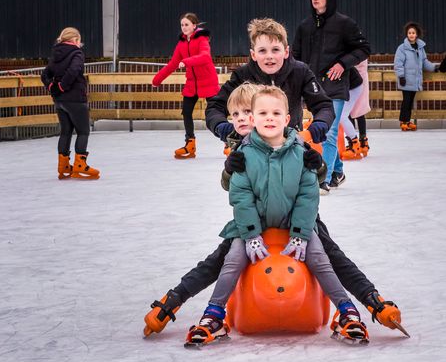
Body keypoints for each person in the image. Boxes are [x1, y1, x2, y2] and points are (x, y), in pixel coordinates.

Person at [144, 83, 403, 340]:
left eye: (248, 112)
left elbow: (310, 183)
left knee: (329, 256)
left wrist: (318, 165)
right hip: (253, 222)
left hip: (296, 220)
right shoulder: (241, 146)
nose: (244, 119)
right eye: (237, 114)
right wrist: (231, 177)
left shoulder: (291, 138)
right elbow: (235, 190)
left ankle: (369, 303)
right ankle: (182, 304)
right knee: (222, 260)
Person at [185, 86, 369, 346]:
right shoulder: (243, 155)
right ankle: (213, 313)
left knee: (319, 257)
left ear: (287, 119)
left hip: (293, 225)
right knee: (233, 258)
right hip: (253, 226)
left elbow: (308, 198)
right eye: (262, 113)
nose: (269, 118)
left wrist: (300, 235)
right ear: (253, 119)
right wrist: (250, 235)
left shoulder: (301, 152)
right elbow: (241, 197)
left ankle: (347, 309)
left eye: (275, 113)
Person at [292, 0, 371, 194]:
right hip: (313, 87)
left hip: (336, 85)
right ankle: (337, 171)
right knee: (323, 129)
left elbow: (363, 49)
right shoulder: (305, 26)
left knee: (329, 131)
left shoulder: (345, 24)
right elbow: (296, 56)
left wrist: (342, 64)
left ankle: (322, 180)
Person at [205, 18, 334, 147]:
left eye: (275, 50)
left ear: (286, 52)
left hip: (290, 143)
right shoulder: (242, 75)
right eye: (262, 51)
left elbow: (323, 105)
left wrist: (317, 127)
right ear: (253, 54)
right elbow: (215, 106)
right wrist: (223, 128)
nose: (269, 56)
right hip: (251, 145)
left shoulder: (300, 72)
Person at [152, 13, 220, 159]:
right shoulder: (181, 43)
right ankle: (190, 144)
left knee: (216, 112)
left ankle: (228, 143)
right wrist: (157, 79)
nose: (184, 27)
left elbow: (205, 56)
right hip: (192, 83)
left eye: (187, 24)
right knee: (186, 112)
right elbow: (173, 64)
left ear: (194, 26)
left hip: (208, 80)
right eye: (182, 25)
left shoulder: (202, 39)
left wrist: (187, 61)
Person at [41, 27, 99, 180]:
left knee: (66, 131)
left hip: (60, 101)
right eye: (79, 40)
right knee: (83, 131)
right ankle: (80, 164)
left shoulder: (56, 54)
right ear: (75, 40)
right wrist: (62, 86)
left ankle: (63, 165)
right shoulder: (76, 53)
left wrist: (52, 87)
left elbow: (45, 74)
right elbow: (74, 70)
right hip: (75, 99)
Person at [394, 22, 438, 131]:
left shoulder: (420, 48)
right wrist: (401, 77)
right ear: (407, 34)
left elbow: (424, 61)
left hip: (415, 80)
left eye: (413, 33)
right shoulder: (402, 48)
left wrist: (434, 68)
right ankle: (403, 122)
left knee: (410, 102)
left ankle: (408, 121)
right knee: (406, 101)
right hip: (406, 80)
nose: (411, 35)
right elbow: (398, 63)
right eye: (409, 33)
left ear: (417, 34)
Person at [348, 59, 371, 157]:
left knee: (351, 112)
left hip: (354, 80)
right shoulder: (361, 50)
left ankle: (354, 142)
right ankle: (361, 141)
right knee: (355, 112)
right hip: (355, 80)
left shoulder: (356, 51)